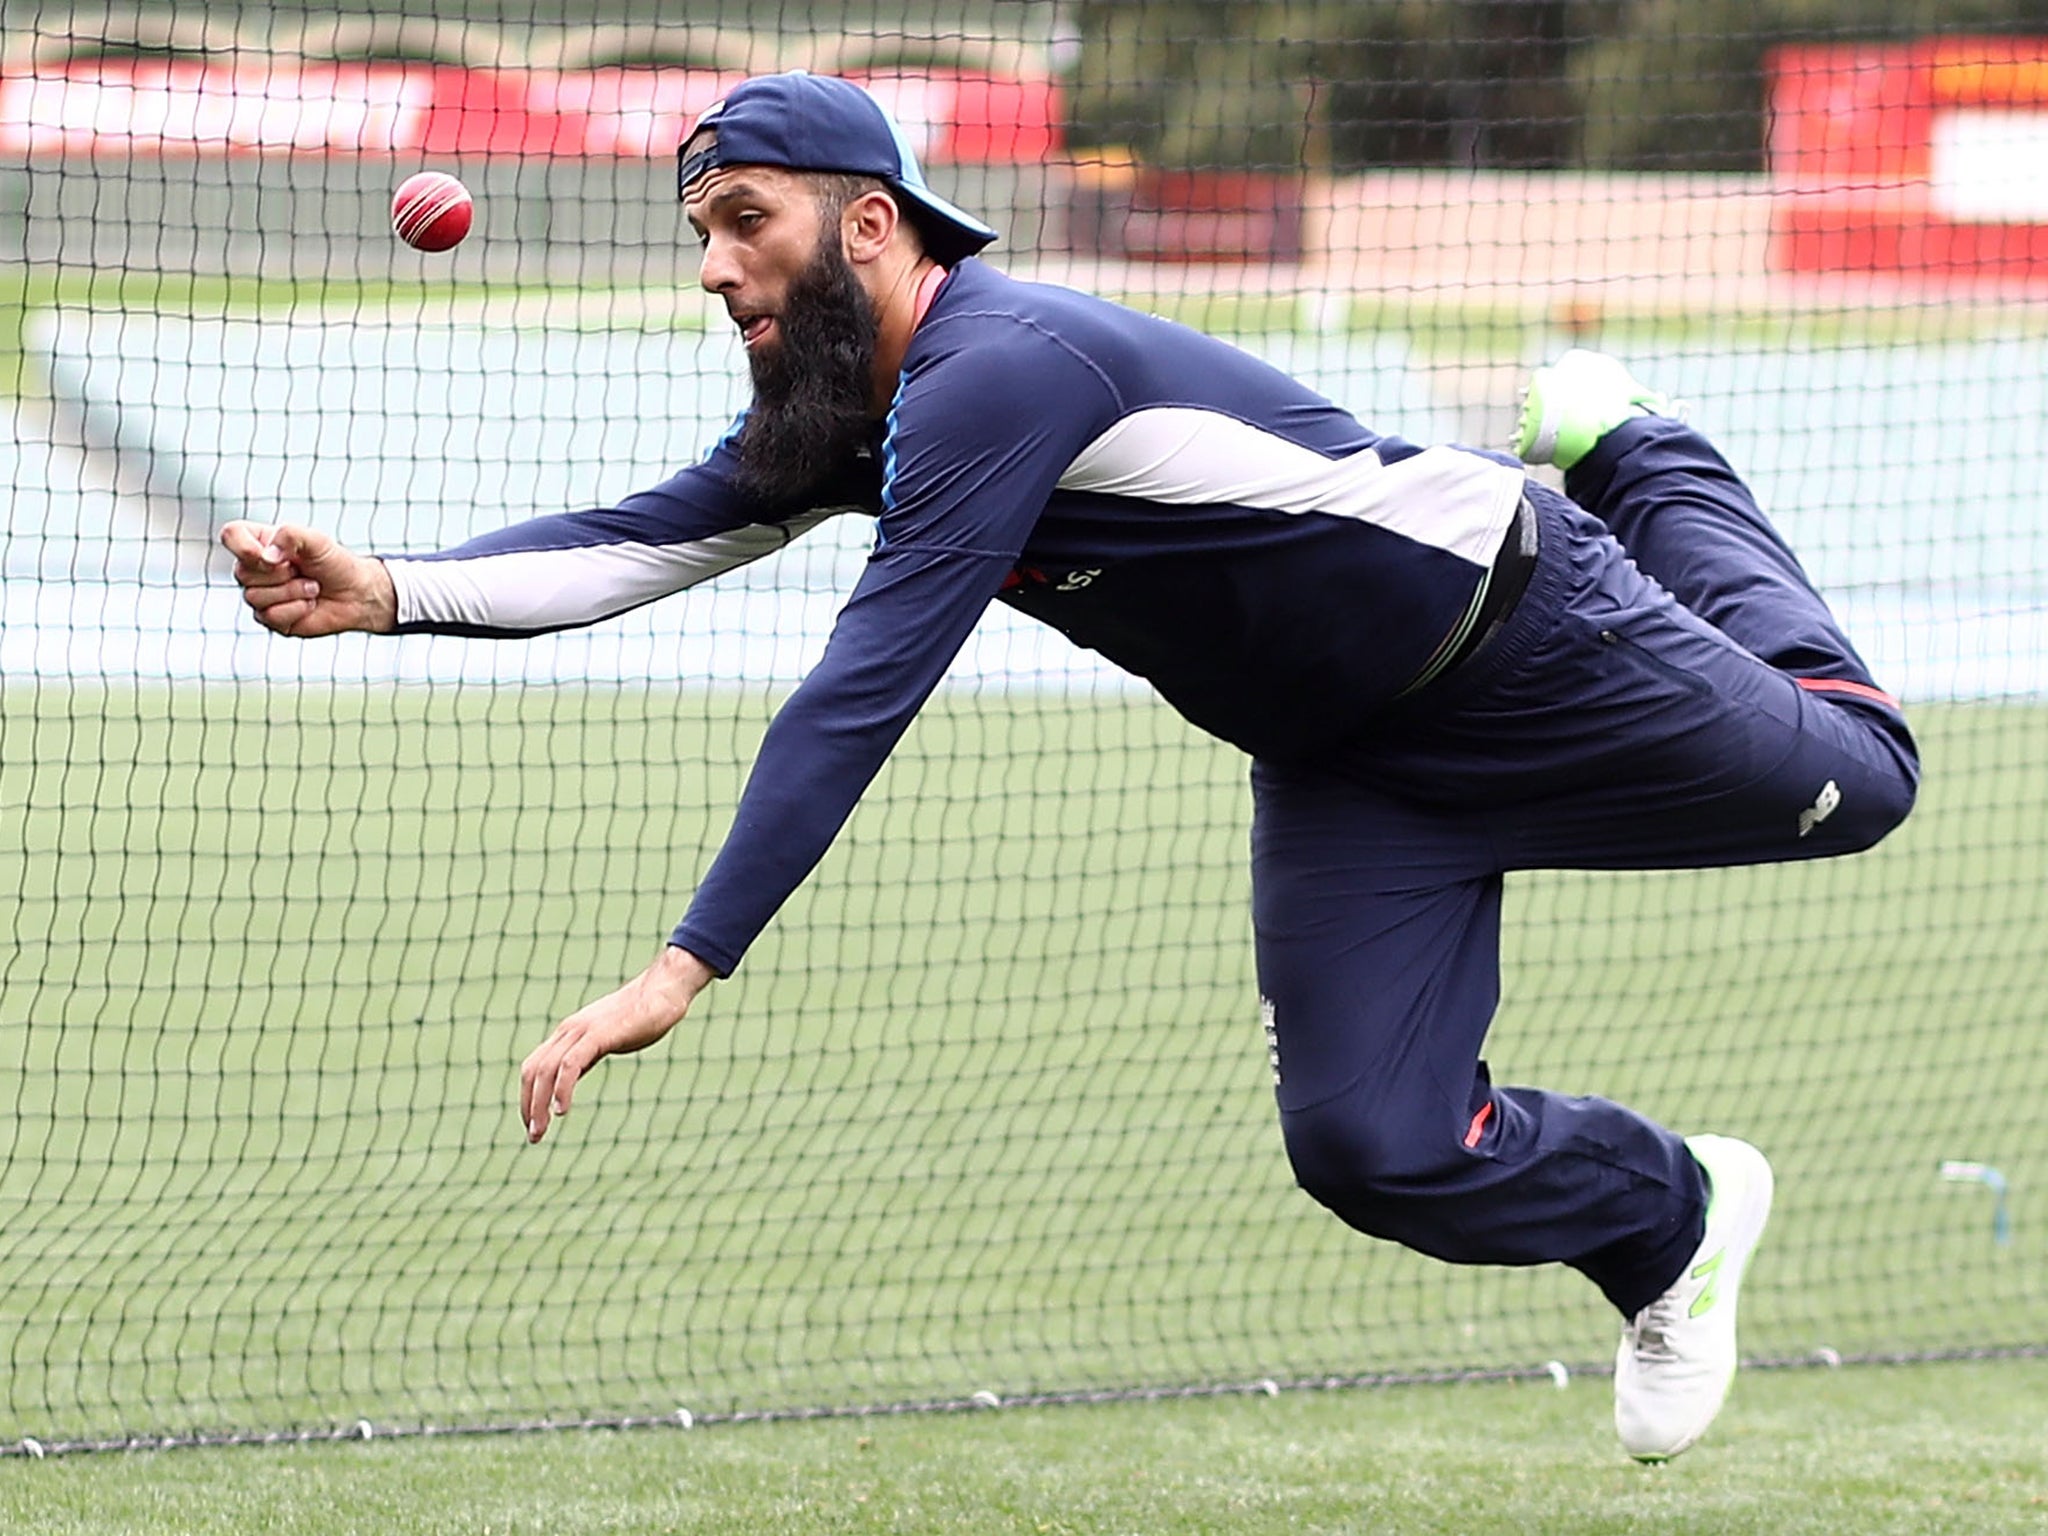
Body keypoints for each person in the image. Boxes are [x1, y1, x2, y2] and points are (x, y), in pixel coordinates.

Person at [220, 71, 1919, 1462]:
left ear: (867, 224)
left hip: (1529, 635)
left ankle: (1636, 442)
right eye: (701, 232)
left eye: (745, 222)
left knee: (1868, 770)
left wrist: (686, 962)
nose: (717, 266)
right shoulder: (856, 420)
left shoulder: (1001, 372)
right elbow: (631, 543)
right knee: (1375, 1149)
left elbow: (862, 685)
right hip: (1349, 763)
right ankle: (1674, 1216)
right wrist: (391, 593)